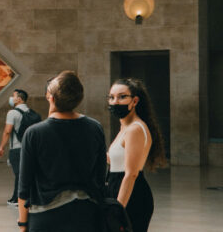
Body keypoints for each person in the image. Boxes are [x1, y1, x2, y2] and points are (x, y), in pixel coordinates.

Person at [17, 71, 106, 232]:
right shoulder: (95, 128)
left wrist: (23, 224)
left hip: (46, 216)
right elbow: (100, 178)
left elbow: (24, 185)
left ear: (50, 97)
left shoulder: (34, 133)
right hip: (86, 215)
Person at [106, 77, 166, 232]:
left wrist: (118, 211)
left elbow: (131, 174)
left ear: (135, 101)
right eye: (111, 97)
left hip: (132, 196)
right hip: (118, 189)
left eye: (122, 97)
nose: (115, 102)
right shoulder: (125, 128)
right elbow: (115, 161)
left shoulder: (135, 129)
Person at [0, 89, 40, 206]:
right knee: (27, 173)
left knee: (19, 174)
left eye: (13, 96)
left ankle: (17, 199)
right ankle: (23, 197)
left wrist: (1, 148)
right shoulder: (32, 113)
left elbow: (7, 132)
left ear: (19, 99)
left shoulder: (12, 113)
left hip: (17, 149)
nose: (11, 98)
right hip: (31, 148)